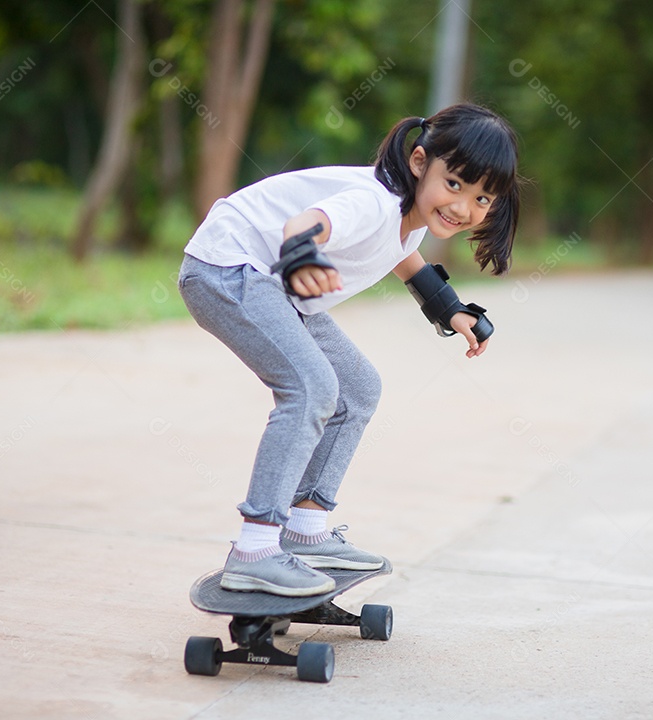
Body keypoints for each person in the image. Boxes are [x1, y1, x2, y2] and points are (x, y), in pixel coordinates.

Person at [177, 103, 520, 596]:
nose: (464, 208)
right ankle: (254, 548)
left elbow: (403, 255)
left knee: (357, 388)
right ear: (420, 162)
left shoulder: (409, 212)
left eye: (483, 198)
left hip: (271, 284)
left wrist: (448, 308)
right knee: (312, 387)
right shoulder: (373, 201)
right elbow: (304, 225)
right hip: (228, 267)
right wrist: (302, 257)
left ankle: (306, 530)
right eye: (455, 185)